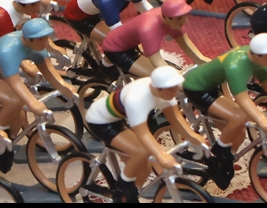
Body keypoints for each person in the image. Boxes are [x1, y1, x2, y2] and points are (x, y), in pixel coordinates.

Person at [84, 66, 207, 201]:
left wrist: (192, 136)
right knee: (141, 151)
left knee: (145, 164)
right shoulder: (137, 99)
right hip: (99, 121)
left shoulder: (165, 92)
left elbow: (175, 119)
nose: (175, 91)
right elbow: (143, 133)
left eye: (175, 87)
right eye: (171, 88)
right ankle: (123, 184)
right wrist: (161, 156)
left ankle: (130, 195)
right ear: (159, 88)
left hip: (117, 118)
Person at [180, 33, 267, 154]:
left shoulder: (259, 60)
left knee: (239, 133)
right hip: (195, 88)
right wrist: (261, 119)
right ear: (259, 55)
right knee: (240, 116)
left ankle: (227, 157)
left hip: (211, 86)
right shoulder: (236, 66)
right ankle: (219, 150)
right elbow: (242, 99)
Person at [0, 20, 76, 139]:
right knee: (15, 101)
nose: (45, 42)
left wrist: (63, 86)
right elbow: (15, 82)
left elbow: (47, 69)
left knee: (19, 116)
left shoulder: (37, 45)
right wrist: (32, 102)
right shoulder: (8, 51)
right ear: (30, 39)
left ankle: (9, 140)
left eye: (46, 38)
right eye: (41, 39)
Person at [100, 0, 206, 77]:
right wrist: (175, 75)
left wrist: (202, 60)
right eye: (180, 18)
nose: (185, 21)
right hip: (115, 50)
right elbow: (156, 60)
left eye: (185, 16)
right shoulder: (149, 29)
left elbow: (186, 44)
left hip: (129, 43)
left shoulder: (173, 19)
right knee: (160, 77)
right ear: (167, 18)